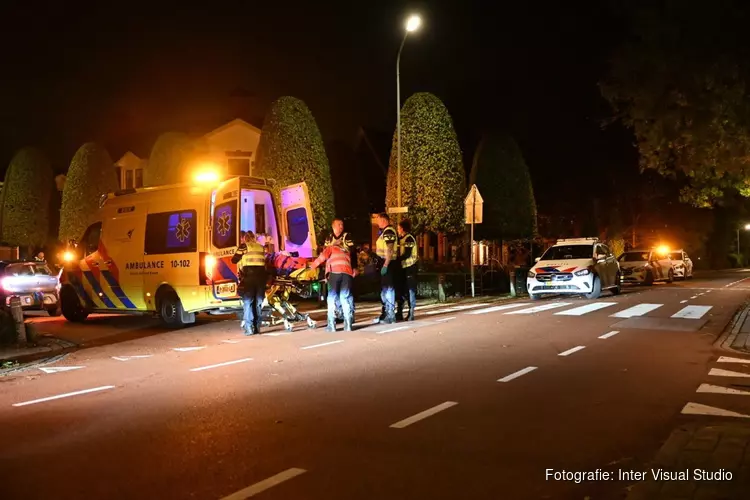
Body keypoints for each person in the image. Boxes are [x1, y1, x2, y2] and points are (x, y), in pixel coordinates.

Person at [309, 234, 355, 331]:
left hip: (335, 273)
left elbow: (322, 258)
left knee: (331, 298)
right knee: (345, 298)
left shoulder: (331, 248)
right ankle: (348, 324)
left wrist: (311, 267)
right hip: (347, 274)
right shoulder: (346, 251)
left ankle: (331, 325)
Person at [231, 231, 267, 335]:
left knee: (248, 302)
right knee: (258, 302)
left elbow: (234, 260)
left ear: (245, 238)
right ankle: (256, 327)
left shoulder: (244, 246)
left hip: (249, 277)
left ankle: (249, 327)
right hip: (261, 278)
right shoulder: (261, 247)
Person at [324, 219, 357, 322]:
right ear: (333, 226)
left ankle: (349, 315)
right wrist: (326, 272)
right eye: (339, 224)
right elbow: (325, 255)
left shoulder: (347, 237)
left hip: (346, 269)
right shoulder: (329, 238)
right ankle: (339, 314)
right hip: (333, 270)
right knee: (335, 293)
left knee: (346, 293)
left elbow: (353, 252)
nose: (341, 226)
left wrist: (354, 267)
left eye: (342, 224)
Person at [373, 213, 399, 324]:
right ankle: (386, 314)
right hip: (384, 263)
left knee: (388, 290)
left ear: (383, 220)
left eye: (378, 220)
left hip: (388, 264)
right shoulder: (384, 232)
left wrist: (385, 265)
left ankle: (390, 315)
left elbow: (390, 249)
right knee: (384, 291)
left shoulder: (388, 232)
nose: (377, 222)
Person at [396, 219, 418, 321]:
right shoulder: (400, 239)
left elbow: (407, 254)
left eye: (399, 228)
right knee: (402, 291)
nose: (397, 229)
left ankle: (411, 312)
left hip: (410, 268)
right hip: (403, 268)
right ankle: (399, 312)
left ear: (403, 228)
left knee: (410, 291)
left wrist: (397, 260)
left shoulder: (409, 238)